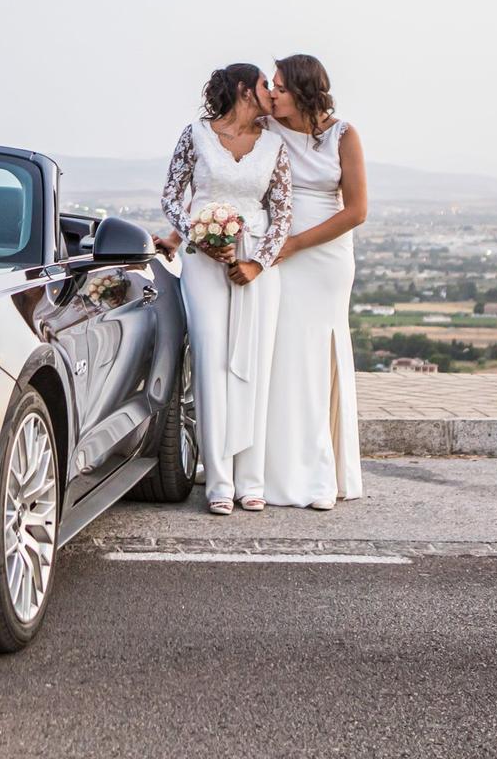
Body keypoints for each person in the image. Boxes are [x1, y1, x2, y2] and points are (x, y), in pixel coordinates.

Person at [157, 63, 293, 515]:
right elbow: (172, 196)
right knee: (211, 360)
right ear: (242, 89)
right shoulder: (194, 134)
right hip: (202, 263)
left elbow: (282, 212)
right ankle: (218, 481)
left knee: (254, 364)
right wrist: (196, 236)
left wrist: (257, 262)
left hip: (255, 262)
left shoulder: (274, 145)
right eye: (262, 85)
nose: (269, 93)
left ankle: (250, 479)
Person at [261, 53, 366, 507]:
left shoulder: (344, 135)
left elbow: (357, 210)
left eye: (281, 87)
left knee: (317, 355)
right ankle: (272, 468)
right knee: (282, 354)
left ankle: (319, 468)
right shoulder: (266, 130)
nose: (272, 93)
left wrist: (299, 242)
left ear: (303, 91)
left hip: (324, 259)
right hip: (277, 254)